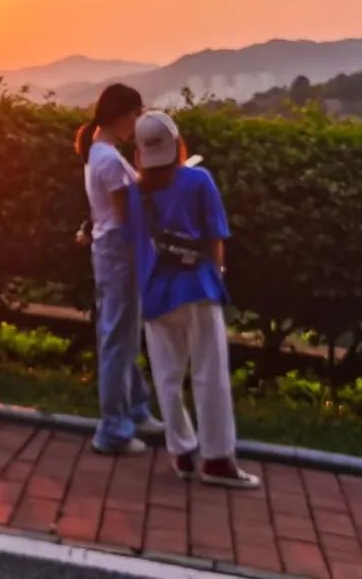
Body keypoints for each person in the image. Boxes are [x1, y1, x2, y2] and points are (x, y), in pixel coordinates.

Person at [127, 110, 260, 489]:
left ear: (139, 153)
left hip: (156, 294)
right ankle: (217, 460)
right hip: (198, 288)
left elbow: (133, 244)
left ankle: (181, 452)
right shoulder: (199, 180)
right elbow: (215, 237)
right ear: (177, 144)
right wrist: (217, 276)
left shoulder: (135, 192)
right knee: (209, 374)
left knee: (167, 376)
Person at [75, 84, 164, 455]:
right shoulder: (109, 160)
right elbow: (125, 215)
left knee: (121, 335)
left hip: (111, 250)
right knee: (117, 338)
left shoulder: (100, 152)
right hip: (119, 253)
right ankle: (113, 428)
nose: (137, 123)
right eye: (135, 115)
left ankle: (136, 410)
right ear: (121, 115)